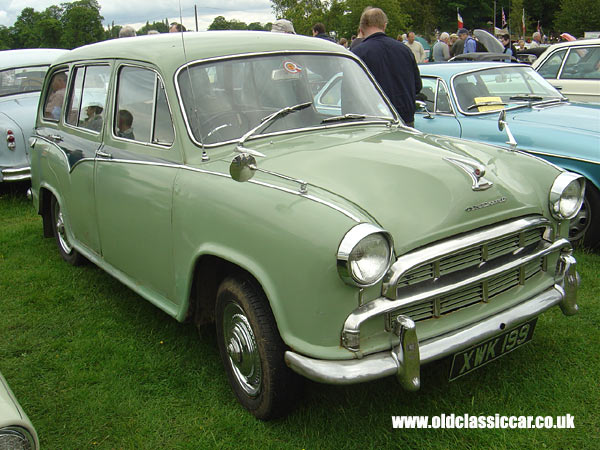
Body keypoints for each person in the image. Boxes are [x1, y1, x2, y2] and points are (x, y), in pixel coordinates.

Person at [351, 7, 422, 126]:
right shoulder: (405, 50)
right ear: (384, 26)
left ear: (361, 29)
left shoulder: (358, 54)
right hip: (404, 119)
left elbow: (350, 93)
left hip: (373, 121)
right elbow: (417, 86)